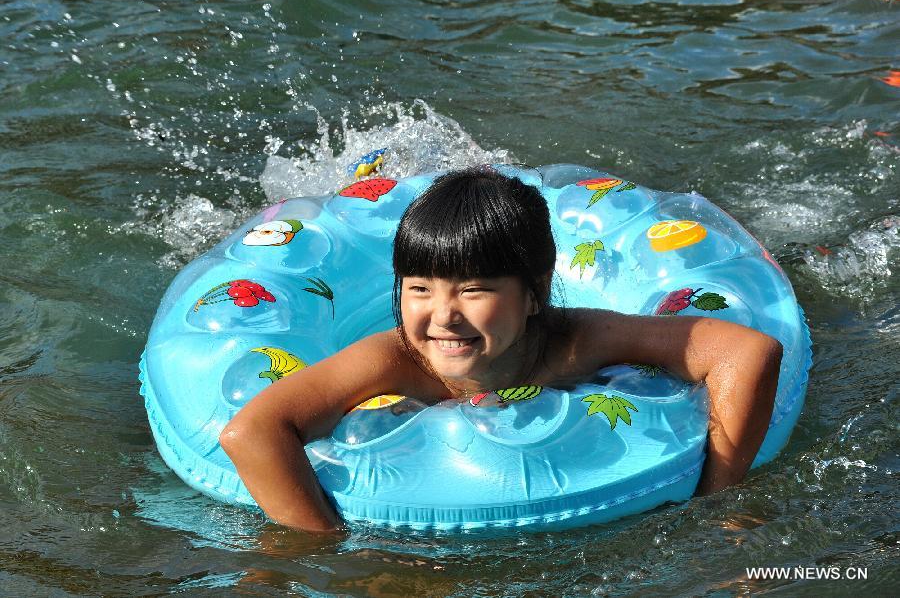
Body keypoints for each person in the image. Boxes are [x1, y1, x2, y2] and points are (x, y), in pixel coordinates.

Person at [220, 166, 783, 532]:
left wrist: (717, 503)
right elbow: (253, 431)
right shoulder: (396, 362)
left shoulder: (577, 343)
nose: (442, 316)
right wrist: (325, 552)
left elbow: (747, 351)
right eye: (418, 289)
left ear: (536, 292)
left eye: (474, 289)